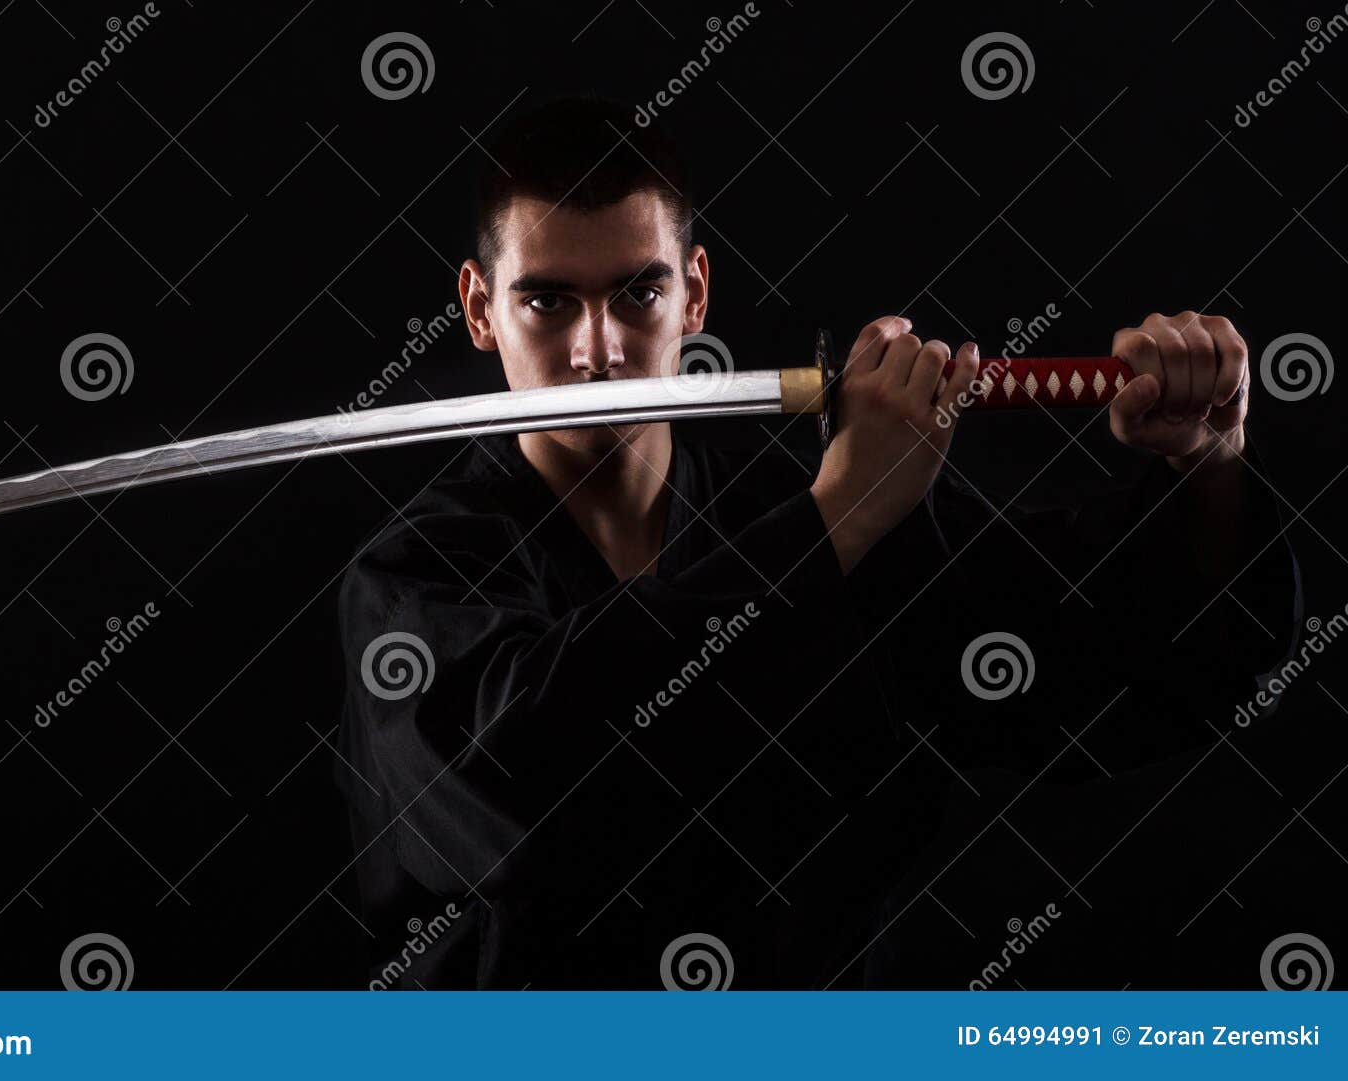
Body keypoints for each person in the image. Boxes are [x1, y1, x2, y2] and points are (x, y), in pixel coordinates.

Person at [334, 96, 1302, 989]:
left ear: (695, 294)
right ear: (476, 307)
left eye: (638, 294)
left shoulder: (823, 504)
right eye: (547, 301)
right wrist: (831, 520)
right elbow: (533, 804)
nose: (596, 350)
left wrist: (1204, 465)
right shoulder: (415, 579)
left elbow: (1110, 668)